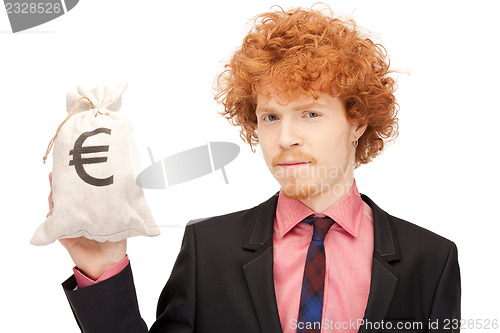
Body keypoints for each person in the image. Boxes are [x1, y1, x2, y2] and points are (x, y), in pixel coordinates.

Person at [50, 6, 460, 333]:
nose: (285, 138)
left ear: (357, 121)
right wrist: (102, 268)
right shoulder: (207, 250)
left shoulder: (431, 260)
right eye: (270, 117)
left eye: (311, 113)